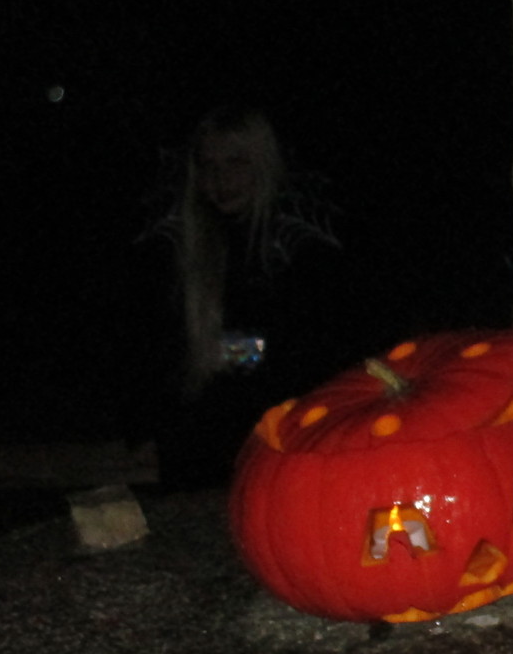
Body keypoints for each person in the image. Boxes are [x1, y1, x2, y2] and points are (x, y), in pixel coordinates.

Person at [133, 105, 368, 488]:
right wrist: (147, 430)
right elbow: (158, 349)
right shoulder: (184, 246)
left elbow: (310, 349)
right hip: (199, 438)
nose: (220, 179)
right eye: (208, 166)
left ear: (264, 165)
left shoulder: (297, 249)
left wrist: (228, 350)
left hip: (281, 433)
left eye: (236, 162)